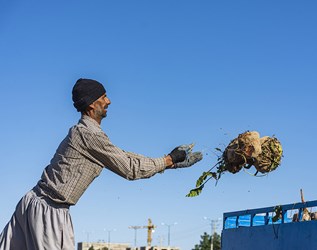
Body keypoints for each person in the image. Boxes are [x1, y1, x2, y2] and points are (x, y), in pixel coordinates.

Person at [0, 78, 202, 250]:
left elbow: (126, 158)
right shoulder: (89, 135)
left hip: (34, 204)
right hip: (49, 211)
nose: (109, 101)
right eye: (103, 97)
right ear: (91, 105)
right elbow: (130, 169)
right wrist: (169, 159)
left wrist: (170, 163)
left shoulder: (86, 134)